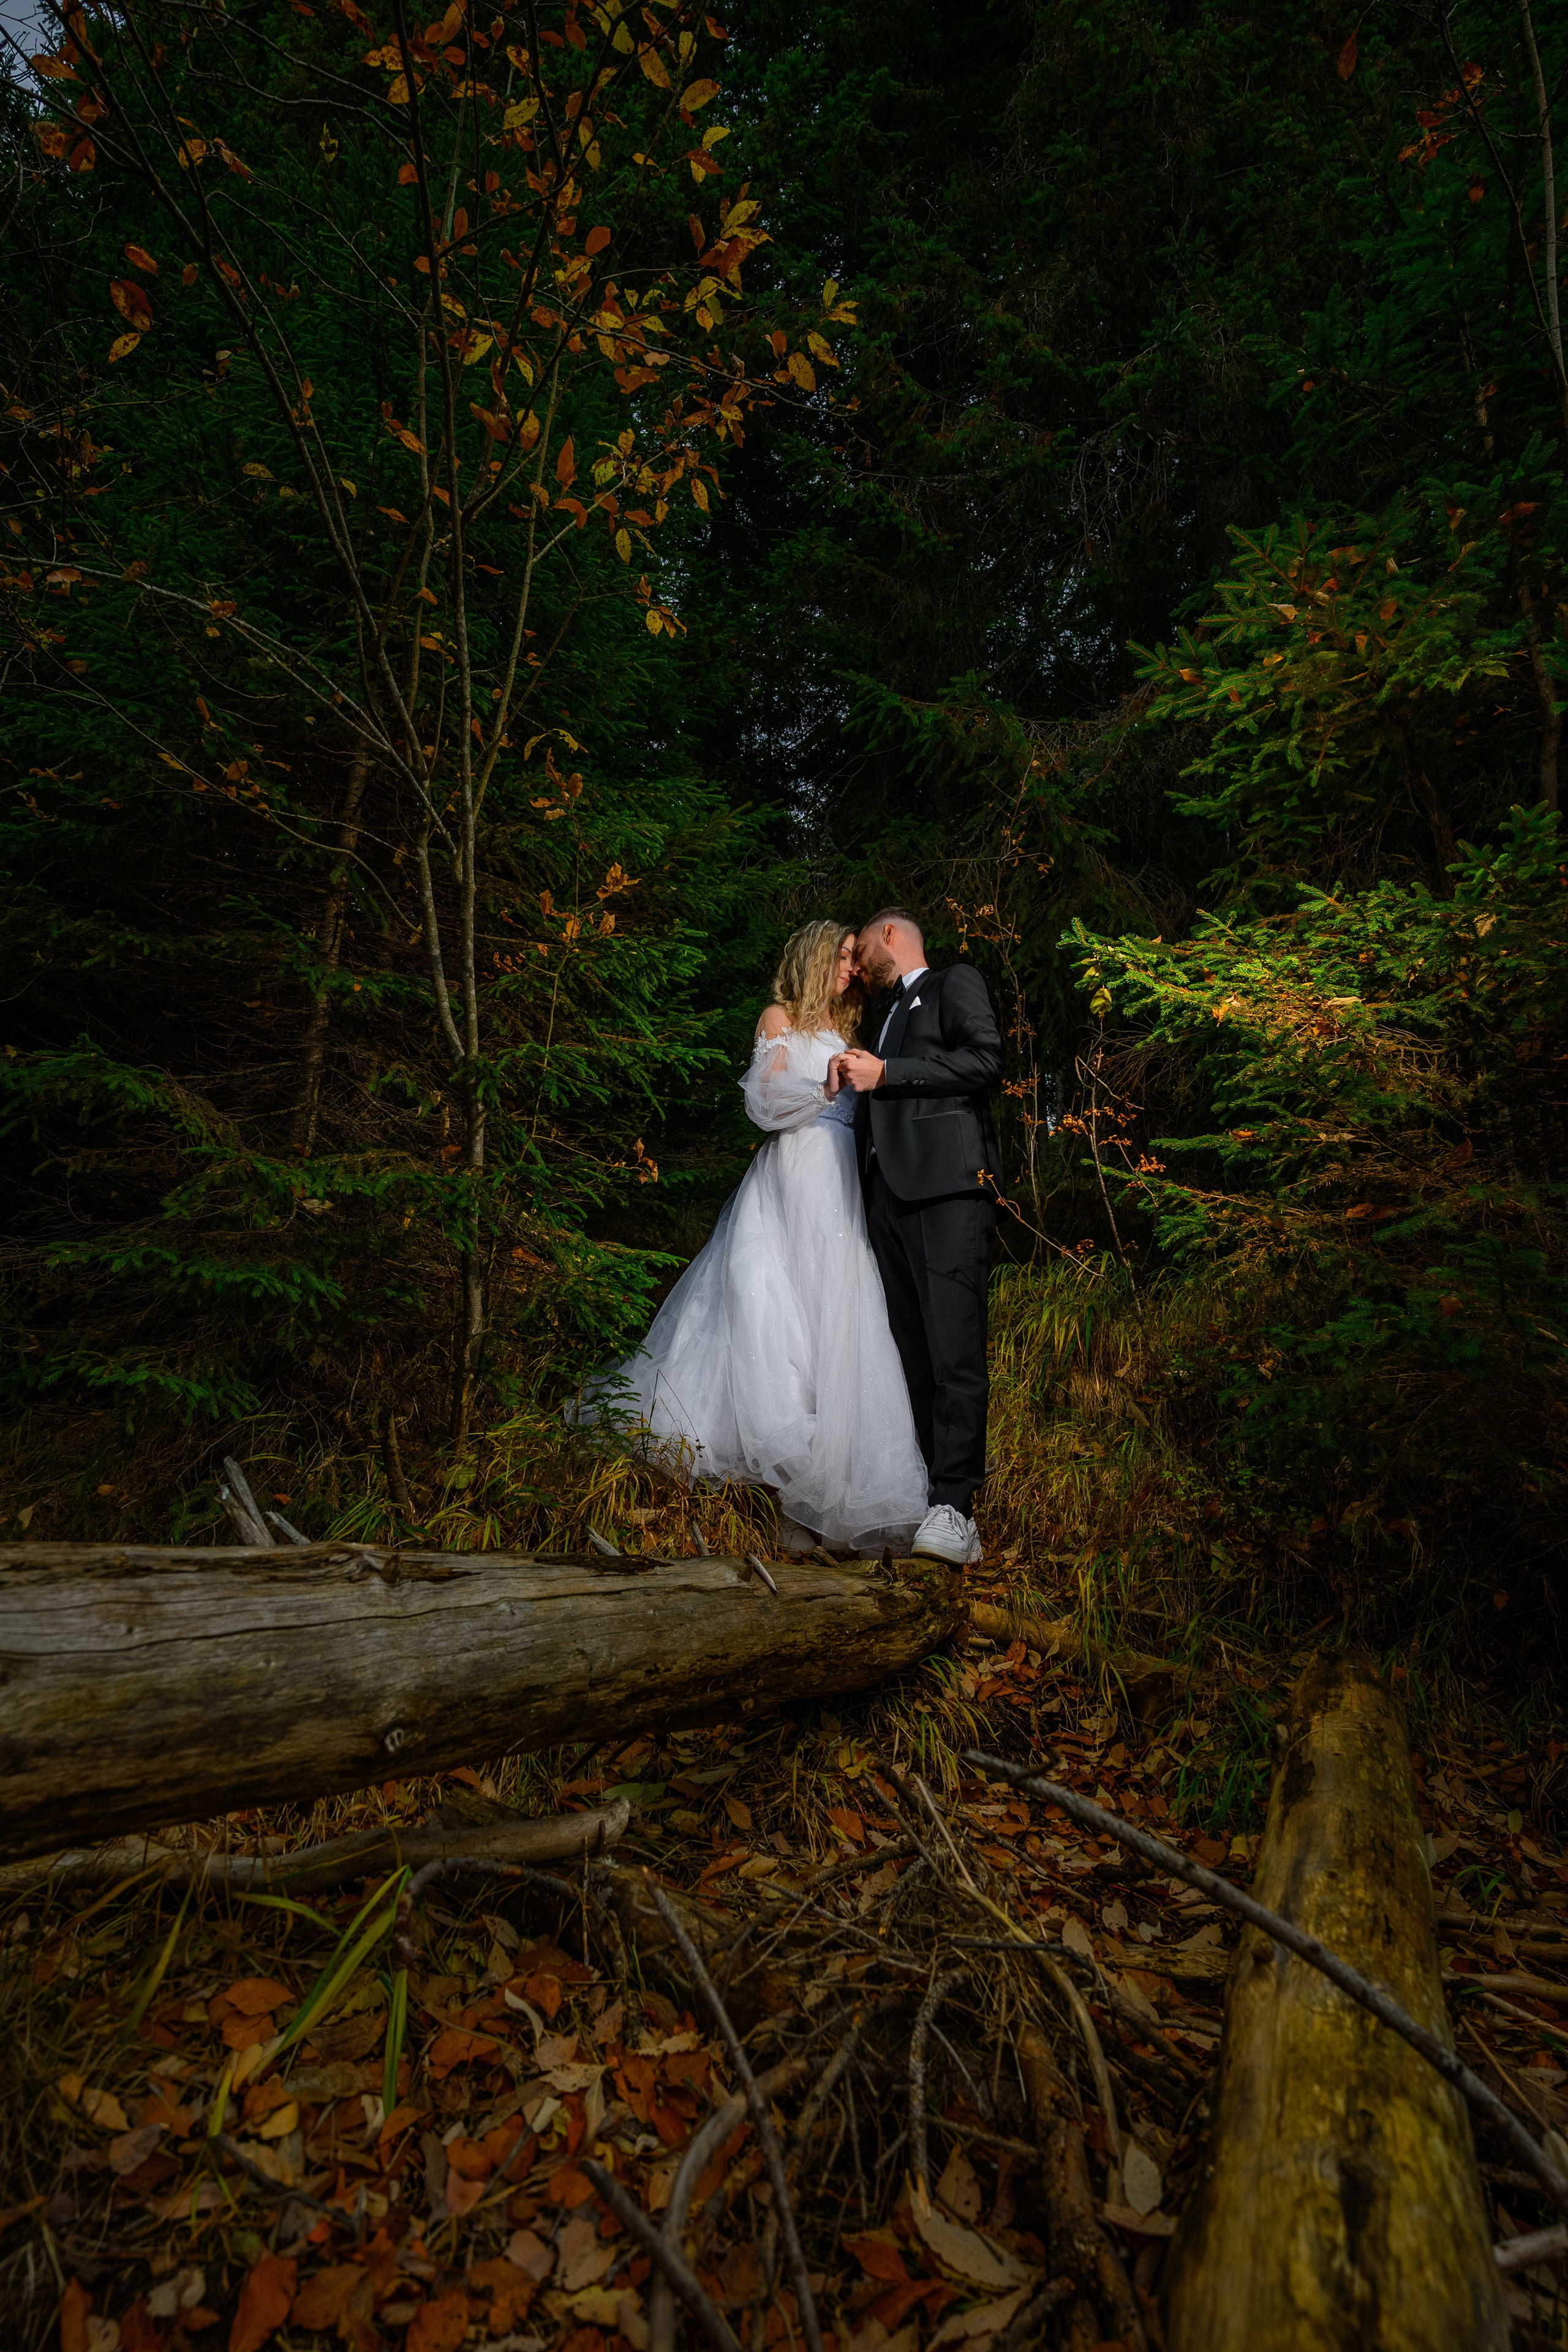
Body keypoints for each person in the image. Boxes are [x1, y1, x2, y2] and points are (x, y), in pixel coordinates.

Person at [574, 919, 930, 1556]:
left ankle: (827, 1501)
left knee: (838, 1320)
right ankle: (781, 1494)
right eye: (842, 957)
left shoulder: (851, 1029)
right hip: (793, 1175)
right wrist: (823, 1086)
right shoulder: (779, 1018)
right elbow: (762, 1105)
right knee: (774, 1315)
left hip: (844, 1181)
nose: (850, 968)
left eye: (855, 958)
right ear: (814, 956)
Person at [832, 908, 1003, 1568]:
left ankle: (957, 1508)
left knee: (954, 1351)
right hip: (885, 1202)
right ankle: (928, 1492)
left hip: (948, 1192)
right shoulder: (880, 1018)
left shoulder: (954, 983)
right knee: (908, 1356)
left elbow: (985, 1061)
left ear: (893, 936)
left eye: (866, 944)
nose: (862, 958)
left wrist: (890, 1074)